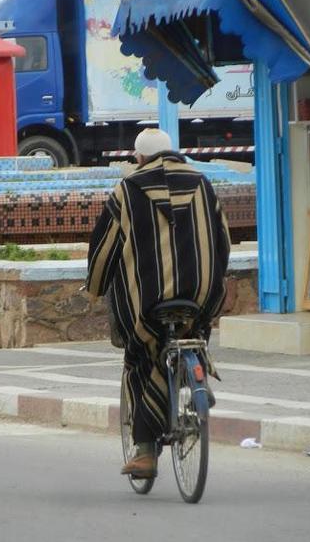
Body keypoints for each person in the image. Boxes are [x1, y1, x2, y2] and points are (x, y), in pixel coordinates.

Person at [86, 128, 230, 479]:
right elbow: (223, 240)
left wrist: (94, 287)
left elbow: (104, 247)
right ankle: (195, 377)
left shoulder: (127, 190)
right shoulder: (201, 183)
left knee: (140, 355)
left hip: (149, 301)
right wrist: (213, 281)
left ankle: (146, 451)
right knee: (194, 326)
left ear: (138, 158)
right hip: (198, 294)